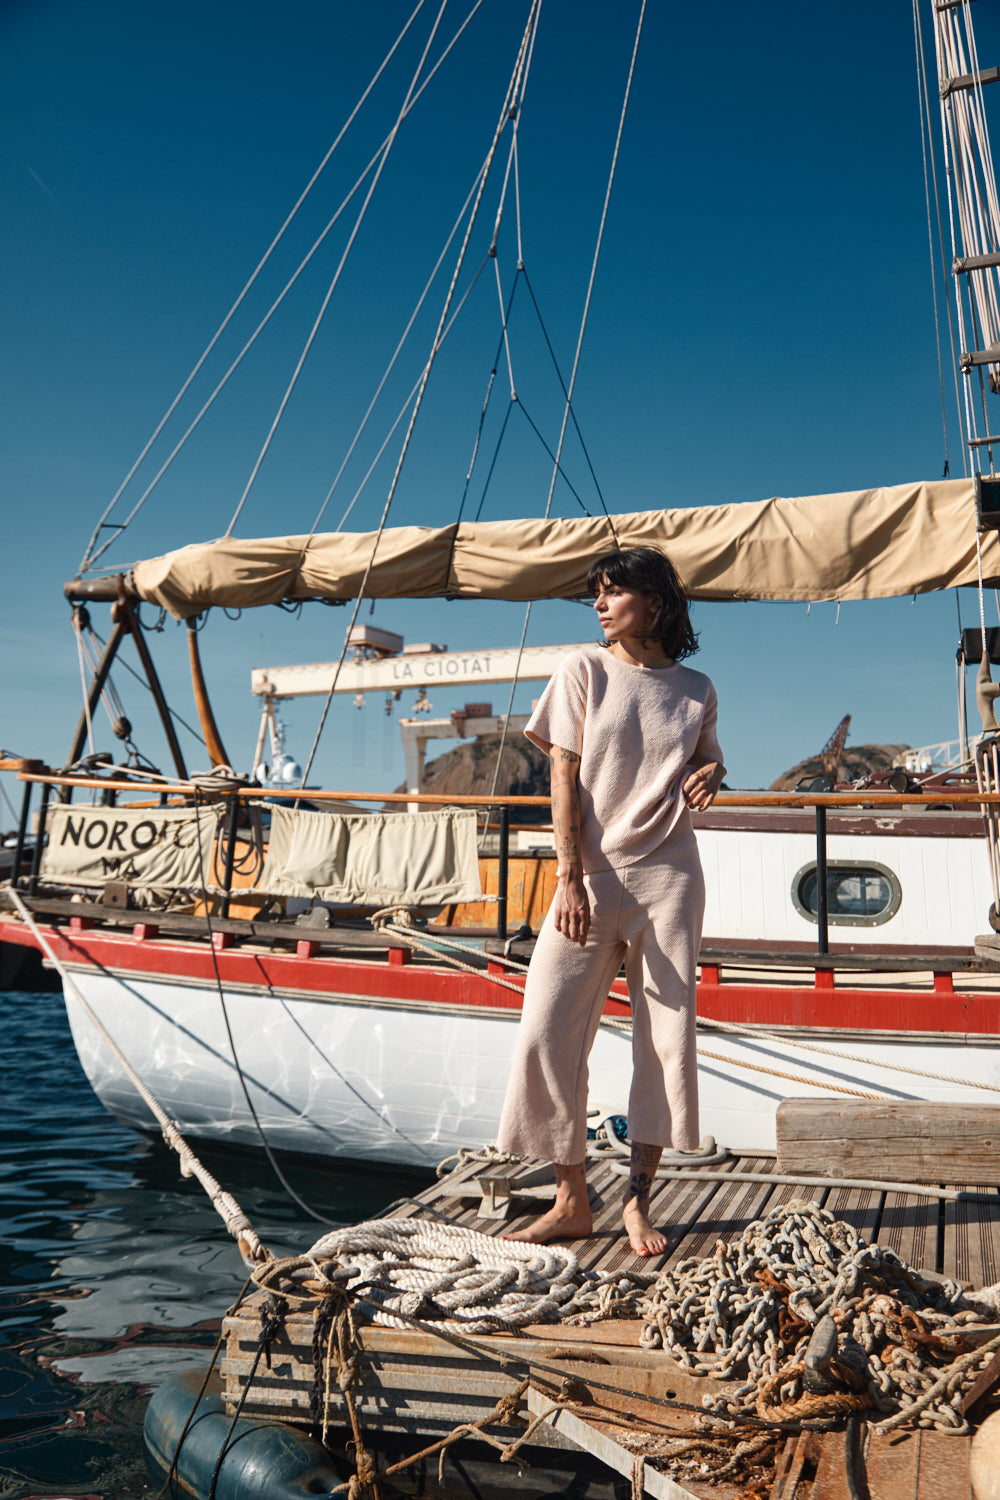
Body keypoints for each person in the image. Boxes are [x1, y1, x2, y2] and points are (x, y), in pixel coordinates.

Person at [496, 545, 725, 1256]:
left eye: (613, 591)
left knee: (665, 1041)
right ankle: (571, 1198)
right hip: (588, 880)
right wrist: (567, 876)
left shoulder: (695, 687)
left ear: (653, 602)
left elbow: (707, 762)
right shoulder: (582, 670)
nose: (599, 604)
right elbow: (561, 778)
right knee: (546, 1032)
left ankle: (636, 1201)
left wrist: (713, 770)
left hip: (670, 879)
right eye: (595, 592)